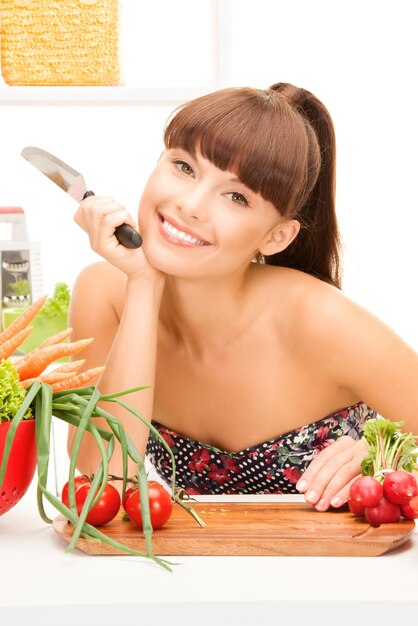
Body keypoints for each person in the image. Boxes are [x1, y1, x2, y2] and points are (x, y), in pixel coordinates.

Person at [68, 82, 418, 511]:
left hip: (338, 572)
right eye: (183, 167)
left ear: (276, 236)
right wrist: (143, 285)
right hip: (192, 572)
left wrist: (383, 457)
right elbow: (98, 486)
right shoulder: (104, 294)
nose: (191, 204)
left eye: (236, 197)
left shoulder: (319, 319)